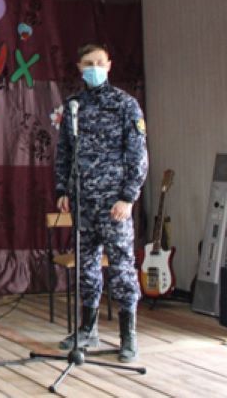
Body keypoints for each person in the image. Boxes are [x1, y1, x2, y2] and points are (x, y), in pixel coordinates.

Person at [53, 42, 148, 363]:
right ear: (79, 68)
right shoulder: (73, 106)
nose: (94, 68)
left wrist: (128, 197)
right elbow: (64, 152)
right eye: (88, 63)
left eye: (99, 62)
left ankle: (127, 336)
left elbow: (138, 155)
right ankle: (87, 329)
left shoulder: (125, 105)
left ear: (109, 66)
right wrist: (62, 190)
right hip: (83, 202)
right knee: (87, 266)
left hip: (114, 203)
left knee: (121, 267)